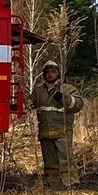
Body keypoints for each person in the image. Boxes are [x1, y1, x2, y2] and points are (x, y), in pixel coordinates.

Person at [31, 60, 84, 188]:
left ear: (59, 73)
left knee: (66, 159)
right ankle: (54, 185)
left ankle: (72, 184)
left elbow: (78, 104)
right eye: (47, 72)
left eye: (53, 71)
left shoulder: (67, 89)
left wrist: (64, 98)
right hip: (45, 132)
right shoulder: (38, 91)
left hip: (62, 131)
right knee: (50, 163)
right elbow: (29, 104)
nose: (50, 74)